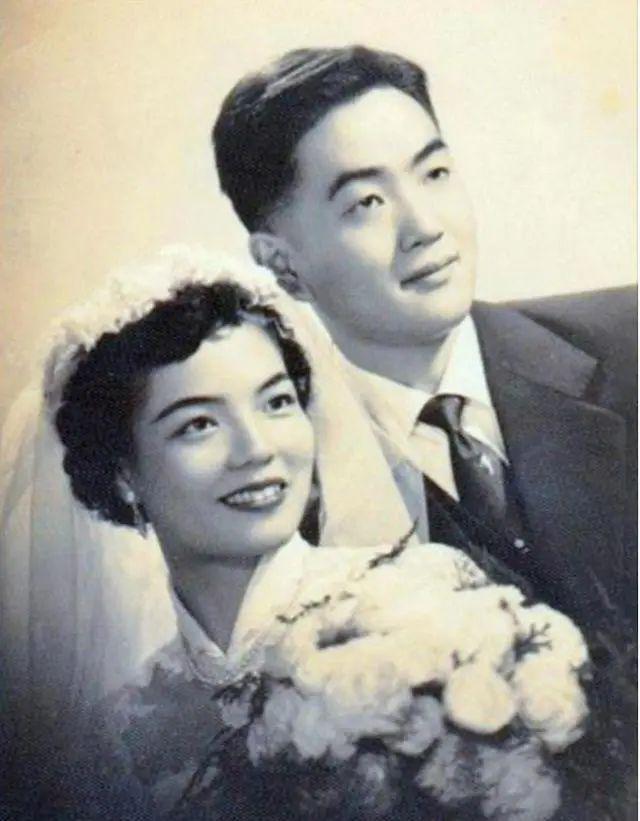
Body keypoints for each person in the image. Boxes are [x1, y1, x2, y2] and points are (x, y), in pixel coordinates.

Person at [212, 45, 637, 630]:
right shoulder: (278, 492)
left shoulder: (629, 343)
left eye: (434, 173)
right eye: (367, 202)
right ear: (283, 267)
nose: (425, 227)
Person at [0, 247, 416, 817]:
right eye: (199, 424)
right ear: (122, 474)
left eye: (276, 402)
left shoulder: (423, 614)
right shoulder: (117, 740)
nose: (257, 449)